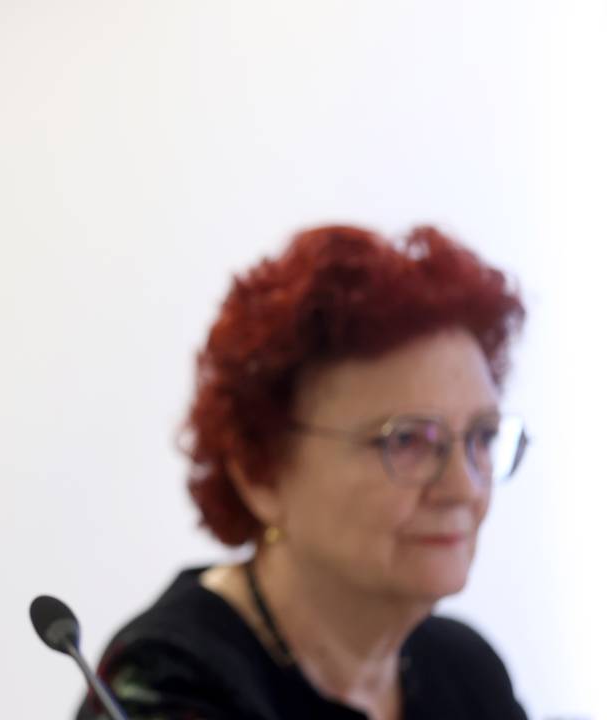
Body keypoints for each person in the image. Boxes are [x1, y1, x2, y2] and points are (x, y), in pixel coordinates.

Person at [80, 226, 529, 719]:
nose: (463, 487)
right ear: (261, 472)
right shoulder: (165, 682)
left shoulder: (463, 669)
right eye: (406, 440)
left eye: (483, 436)